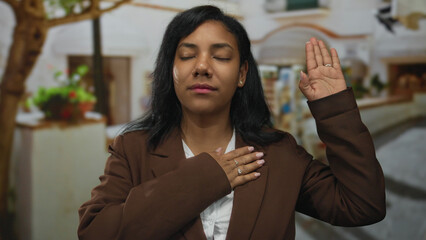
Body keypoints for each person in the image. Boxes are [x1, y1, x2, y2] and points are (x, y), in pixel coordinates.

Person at [78, 5, 386, 240]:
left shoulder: (280, 154)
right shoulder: (133, 149)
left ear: (242, 74)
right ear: (170, 70)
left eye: (221, 56)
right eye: (186, 55)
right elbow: (95, 232)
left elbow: (362, 206)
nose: (202, 66)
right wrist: (205, 178)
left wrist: (334, 108)